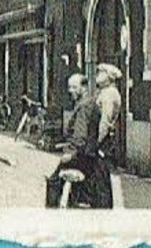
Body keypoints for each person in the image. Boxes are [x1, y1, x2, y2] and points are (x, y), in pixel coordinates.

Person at [45, 73, 113, 208]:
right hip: (90, 156)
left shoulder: (84, 107)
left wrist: (69, 153)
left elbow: (80, 136)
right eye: (69, 87)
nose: (70, 91)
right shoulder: (90, 103)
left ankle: (51, 215)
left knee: (53, 181)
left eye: (74, 88)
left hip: (81, 156)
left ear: (83, 88)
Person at [93, 63, 123, 205]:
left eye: (102, 72)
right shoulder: (106, 92)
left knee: (101, 177)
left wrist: (95, 142)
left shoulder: (109, 94)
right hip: (103, 141)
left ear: (109, 77)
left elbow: (105, 121)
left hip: (103, 142)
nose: (98, 74)